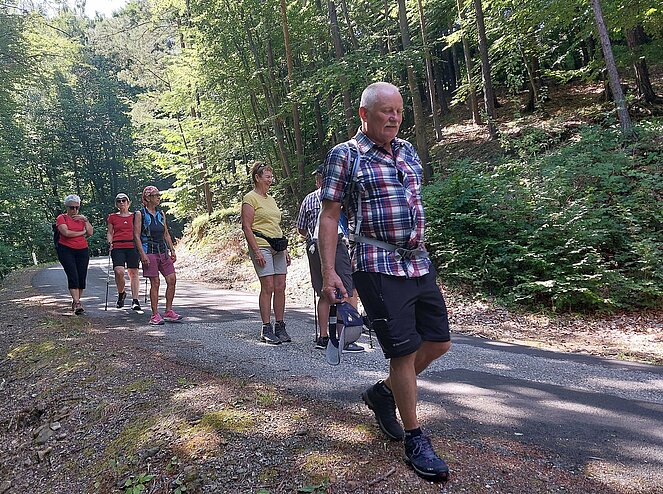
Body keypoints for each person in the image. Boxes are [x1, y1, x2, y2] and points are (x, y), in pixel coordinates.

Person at [318, 82, 452, 482]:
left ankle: (383, 392)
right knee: (403, 352)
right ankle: (415, 438)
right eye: (385, 111)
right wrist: (329, 271)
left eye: (398, 111)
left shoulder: (407, 150)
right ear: (364, 114)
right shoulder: (346, 155)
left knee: (438, 341)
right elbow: (329, 215)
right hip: (377, 264)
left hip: (418, 262)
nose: (394, 118)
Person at [296, 166, 364, 353]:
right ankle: (345, 339)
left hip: (314, 246)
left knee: (324, 292)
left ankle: (323, 337)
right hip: (337, 244)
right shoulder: (340, 197)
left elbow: (301, 229)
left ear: (319, 181)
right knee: (345, 290)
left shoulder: (308, 199)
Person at [241, 162, 291, 345]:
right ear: (257, 178)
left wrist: (285, 249)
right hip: (261, 245)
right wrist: (256, 251)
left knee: (280, 286)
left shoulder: (271, 199)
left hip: (278, 246)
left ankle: (280, 325)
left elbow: (275, 225)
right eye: (267, 177)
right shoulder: (250, 198)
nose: (271, 180)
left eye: (271, 176)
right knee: (268, 286)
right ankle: (266, 327)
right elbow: (246, 227)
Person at [133, 186, 182, 325]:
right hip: (149, 251)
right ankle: (154, 315)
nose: (158, 197)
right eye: (155, 195)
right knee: (155, 282)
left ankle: (168, 311)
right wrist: (142, 254)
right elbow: (136, 235)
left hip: (163, 251)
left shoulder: (161, 213)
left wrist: (172, 250)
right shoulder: (140, 214)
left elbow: (166, 233)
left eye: (158, 194)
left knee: (172, 279)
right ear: (147, 198)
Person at [56, 194, 94, 315]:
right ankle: (77, 303)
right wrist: (82, 232)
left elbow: (90, 232)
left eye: (77, 207)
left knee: (81, 276)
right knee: (73, 275)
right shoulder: (62, 218)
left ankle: (76, 301)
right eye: (71, 207)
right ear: (66, 207)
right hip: (66, 249)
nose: (74, 210)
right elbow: (66, 233)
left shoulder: (81, 219)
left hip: (82, 249)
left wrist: (85, 220)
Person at [107, 193, 141, 310]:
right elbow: (110, 232)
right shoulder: (112, 217)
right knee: (119, 271)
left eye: (124, 200)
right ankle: (121, 293)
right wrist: (110, 242)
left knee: (133, 272)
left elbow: (138, 231)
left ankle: (135, 300)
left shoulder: (134, 216)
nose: (121, 202)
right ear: (116, 204)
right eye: (119, 201)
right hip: (117, 246)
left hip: (132, 245)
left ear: (128, 202)